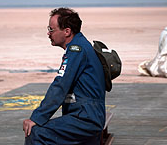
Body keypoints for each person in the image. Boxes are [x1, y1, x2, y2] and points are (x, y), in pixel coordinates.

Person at [23, 8, 106, 145]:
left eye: (51, 29)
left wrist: (37, 118)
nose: (48, 34)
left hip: (86, 118)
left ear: (67, 31)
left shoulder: (76, 50)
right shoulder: (80, 46)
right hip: (87, 114)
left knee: (36, 133)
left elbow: (60, 85)